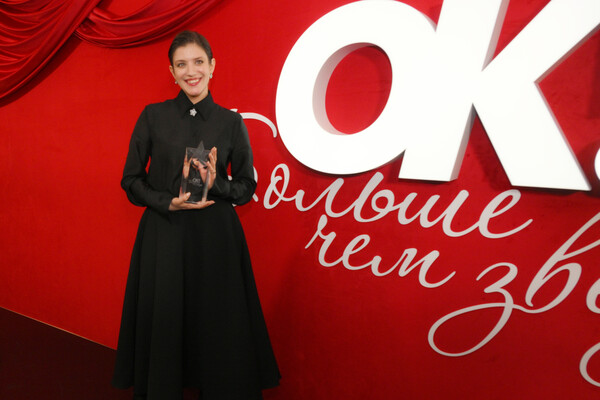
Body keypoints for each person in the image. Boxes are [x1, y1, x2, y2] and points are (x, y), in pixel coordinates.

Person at [111, 30, 281, 400]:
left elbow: (246, 188)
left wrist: (216, 183)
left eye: (199, 62)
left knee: (217, 323)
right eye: (182, 64)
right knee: (166, 317)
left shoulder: (231, 122)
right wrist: (167, 201)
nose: (192, 71)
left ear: (212, 65)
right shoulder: (153, 116)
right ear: (172, 72)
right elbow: (130, 180)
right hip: (165, 234)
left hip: (216, 239)